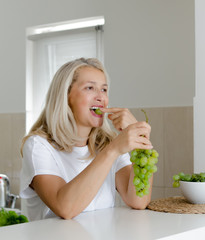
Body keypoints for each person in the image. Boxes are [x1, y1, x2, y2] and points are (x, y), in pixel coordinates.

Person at [20, 58, 153, 221]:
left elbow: (138, 201)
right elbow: (65, 208)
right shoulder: (39, 146)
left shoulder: (108, 144)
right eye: (90, 88)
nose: (100, 97)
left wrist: (141, 142)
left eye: (104, 90)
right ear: (66, 96)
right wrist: (113, 150)